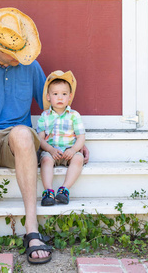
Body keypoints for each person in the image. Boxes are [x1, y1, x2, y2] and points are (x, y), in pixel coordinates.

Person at [0, 7, 88, 265]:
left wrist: (73, 141)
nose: (21, 58)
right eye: (15, 54)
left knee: (22, 133)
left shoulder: (29, 66)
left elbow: (52, 108)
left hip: (16, 145)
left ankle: (32, 230)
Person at [37, 70, 85, 206]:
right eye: (55, 94)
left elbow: (81, 137)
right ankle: (48, 191)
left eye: (64, 94)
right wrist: (50, 150)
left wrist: (74, 149)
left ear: (69, 97)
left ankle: (64, 190)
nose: (60, 98)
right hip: (52, 151)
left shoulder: (74, 115)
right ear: (48, 97)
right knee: (45, 159)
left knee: (79, 159)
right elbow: (40, 138)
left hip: (69, 151)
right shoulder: (44, 116)